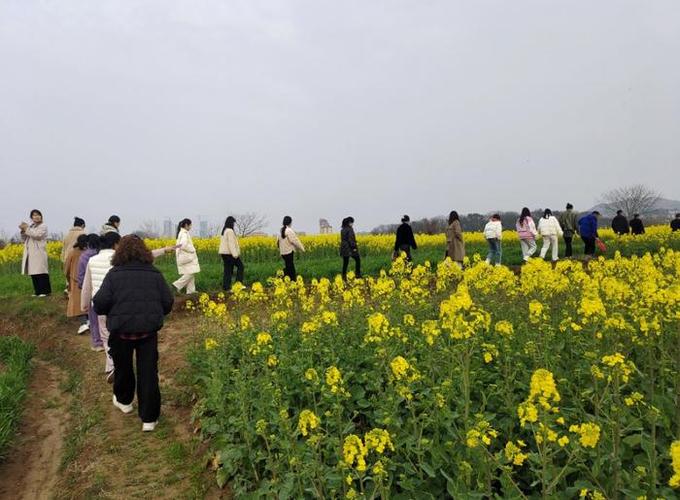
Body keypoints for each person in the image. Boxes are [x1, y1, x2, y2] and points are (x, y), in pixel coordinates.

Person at [93, 235, 174, 432]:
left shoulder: (113, 274)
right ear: (144, 251)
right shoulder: (155, 274)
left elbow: (100, 304)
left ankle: (125, 402)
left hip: (121, 332)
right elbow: (168, 302)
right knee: (148, 373)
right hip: (147, 332)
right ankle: (149, 419)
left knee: (123, 368)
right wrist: (151, 315)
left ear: (120, 252)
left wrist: (115, 312)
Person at [81, 231, 121, 380]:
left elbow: (87, 285)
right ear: (116, 244)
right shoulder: (119, 259)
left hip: (100, 303)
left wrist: (84, 304)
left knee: (105, 335)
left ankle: (111, 365)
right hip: (117, 303)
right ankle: (116, 365)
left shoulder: (92, 260)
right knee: (118, 334)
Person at [78, 234, 103, 351]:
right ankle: (105, 340)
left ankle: (97, 343)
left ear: (88, 243)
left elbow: (81, 276)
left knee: (93, 319)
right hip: (103, 289)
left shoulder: (84, 257)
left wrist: (82, 288)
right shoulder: (101, 255)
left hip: (91, 291)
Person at [19, 209, 52, 297]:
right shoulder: (31, 226)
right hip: (31, 252)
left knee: (41, 272)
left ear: (41, 216)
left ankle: (45, 291)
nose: (36, 216)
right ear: (31, 218)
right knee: (33, 273)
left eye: (38, 215)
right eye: (34, 215)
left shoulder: (43, 226)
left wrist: (27, 228)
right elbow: (24, 239)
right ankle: (37, 291)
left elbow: (37, 235)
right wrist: (23, 231)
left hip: (39, 252)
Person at [65, 234, 89, 334]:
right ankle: (87, 322)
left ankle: (83, 323)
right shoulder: (89, 253)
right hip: (87, 280)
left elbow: (66, 269)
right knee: (87, 301)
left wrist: (68, 280)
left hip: (75, 280)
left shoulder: (72, 253)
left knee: (78, 303)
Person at [173, 219, 200, 294]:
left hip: (185, 257)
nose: (191, 227)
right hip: (188, 257)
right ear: (186, 225)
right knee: (191, 272)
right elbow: (183, 245)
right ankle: (177, 285)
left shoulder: (182, 232)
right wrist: (192, 249)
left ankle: (190, 291)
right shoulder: (184, 233)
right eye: (190, 225)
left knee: (191, 273)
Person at [218, 216, 244, 291]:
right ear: (231, 223)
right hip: (230, 254)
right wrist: (235, 254)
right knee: (240, 266)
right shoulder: (230, 231)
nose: (234, 225)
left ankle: (226, 287)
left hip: (224, 254)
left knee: (228, 271)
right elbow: (231, 244)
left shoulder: (225, 230)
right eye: (233, 223)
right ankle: (238, 285)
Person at [278, 216, 305, 280]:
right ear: (290, 222)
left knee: (288, 266)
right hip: (289, 252)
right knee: (291, 268)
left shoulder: (281, 230)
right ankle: (293, 281)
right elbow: (295, 240)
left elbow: (278, 242)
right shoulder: (289, 230)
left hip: (283, 253)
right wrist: (302, 248)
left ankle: (284, 279)